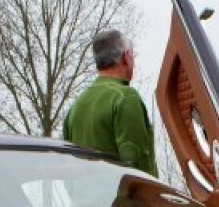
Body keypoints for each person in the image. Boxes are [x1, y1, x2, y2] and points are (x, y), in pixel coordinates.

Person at [63, 29, 157, 176]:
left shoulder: (75, 107)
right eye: (133, 55)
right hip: (121, 198)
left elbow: (69, 164)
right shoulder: (125, 97)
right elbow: (136, 165)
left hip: (82, 198)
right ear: (126, 57)